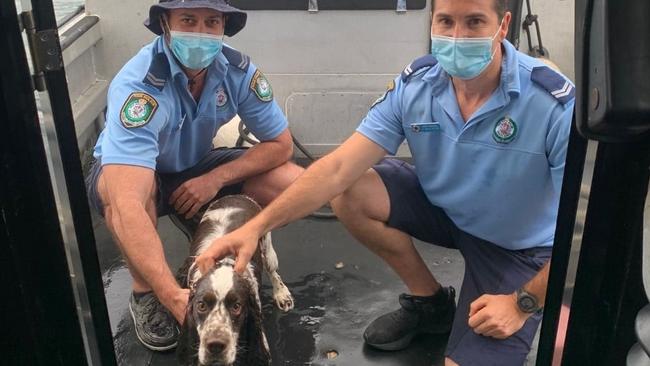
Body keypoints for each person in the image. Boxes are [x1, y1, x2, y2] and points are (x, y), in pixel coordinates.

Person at [195, 0, 575, 364]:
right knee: (350, 191)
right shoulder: (417, 86)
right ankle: (432, 304)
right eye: (446, 21)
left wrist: (523, 303)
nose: (457, 36)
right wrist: (256, 228)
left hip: (516, 246)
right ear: (432, 23)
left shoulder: (551, 103)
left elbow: (591, 229)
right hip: (449, 212)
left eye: (474, 22)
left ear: (503, 25)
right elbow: (338, 168)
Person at [85, 0, 303, 351]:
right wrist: (174, 298)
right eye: (188, 20)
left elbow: (280, 145)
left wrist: (215, 179)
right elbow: (127, 203)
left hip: (196, 163)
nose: (200, 33)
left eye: (211, 22)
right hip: (140, 170)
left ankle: (215, 231)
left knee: (288, 183)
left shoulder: (237, 71)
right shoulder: (139, 85)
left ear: (223, 29)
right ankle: (144, 294)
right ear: (165, 25)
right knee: (121, 199)